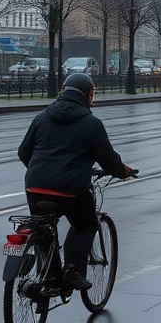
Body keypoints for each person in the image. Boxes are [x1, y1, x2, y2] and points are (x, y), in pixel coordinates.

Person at [17, 72, 133, 291]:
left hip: (35, 187)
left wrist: (42, 173)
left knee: (43, 230)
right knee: (85, 223)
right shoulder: (91, 123)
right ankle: (72, 270)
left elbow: (24, 152)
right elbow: (109, 161)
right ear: (89, 94)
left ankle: (50, 279)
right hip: (71, 190)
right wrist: (124, 171)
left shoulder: (41, 117)